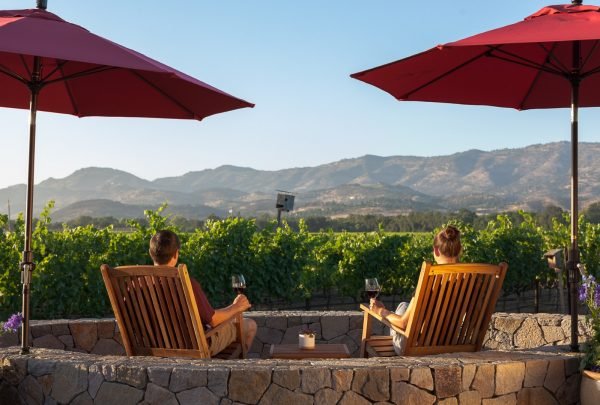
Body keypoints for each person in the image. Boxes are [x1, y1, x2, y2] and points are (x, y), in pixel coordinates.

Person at [149, 230, 257, 356]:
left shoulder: (136, 285)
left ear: (151, 253)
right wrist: (236, 307)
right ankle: (231, 373)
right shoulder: (185, 283)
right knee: (250, 325)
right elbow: (213, 321)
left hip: (152, 346)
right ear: (176, 254)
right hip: (194, 346)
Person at [369, 225, 462, 354]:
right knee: (405, 306)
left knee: (402, 307)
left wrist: (380, 310)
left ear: (436, 251)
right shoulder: (472, 279)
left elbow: (403, 323)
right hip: (452, 345)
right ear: (460, 250)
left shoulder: (431, 281)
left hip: (418, 347)